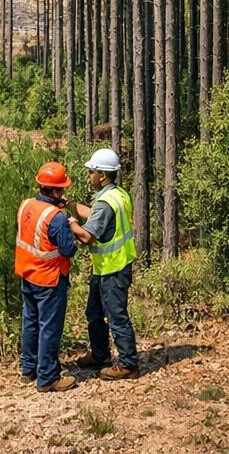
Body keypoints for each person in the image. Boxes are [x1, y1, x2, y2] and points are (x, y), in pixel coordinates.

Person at [69, 148, 139, 380]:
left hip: (113, 269)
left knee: (116, 316)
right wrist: (72, 206)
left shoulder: (106, 202)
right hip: (108, 267)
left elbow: (87, 236)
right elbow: (94, 214)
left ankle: (128, 364)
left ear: (102, 175)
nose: (89, 175)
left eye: (91, 171)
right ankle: (100, 355)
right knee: (94, 312)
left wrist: (69, 222)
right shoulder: (118, 194)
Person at [15, 161, 79, 392]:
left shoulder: (26, 205)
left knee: (30, 323)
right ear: (53, 190)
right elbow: (68, 250)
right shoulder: (57, 218)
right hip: (50, 279)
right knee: (49, 327)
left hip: (27, 273)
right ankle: (48, 378)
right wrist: (69, 223)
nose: (63, 192)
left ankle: (28, 370)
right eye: (61, 189)